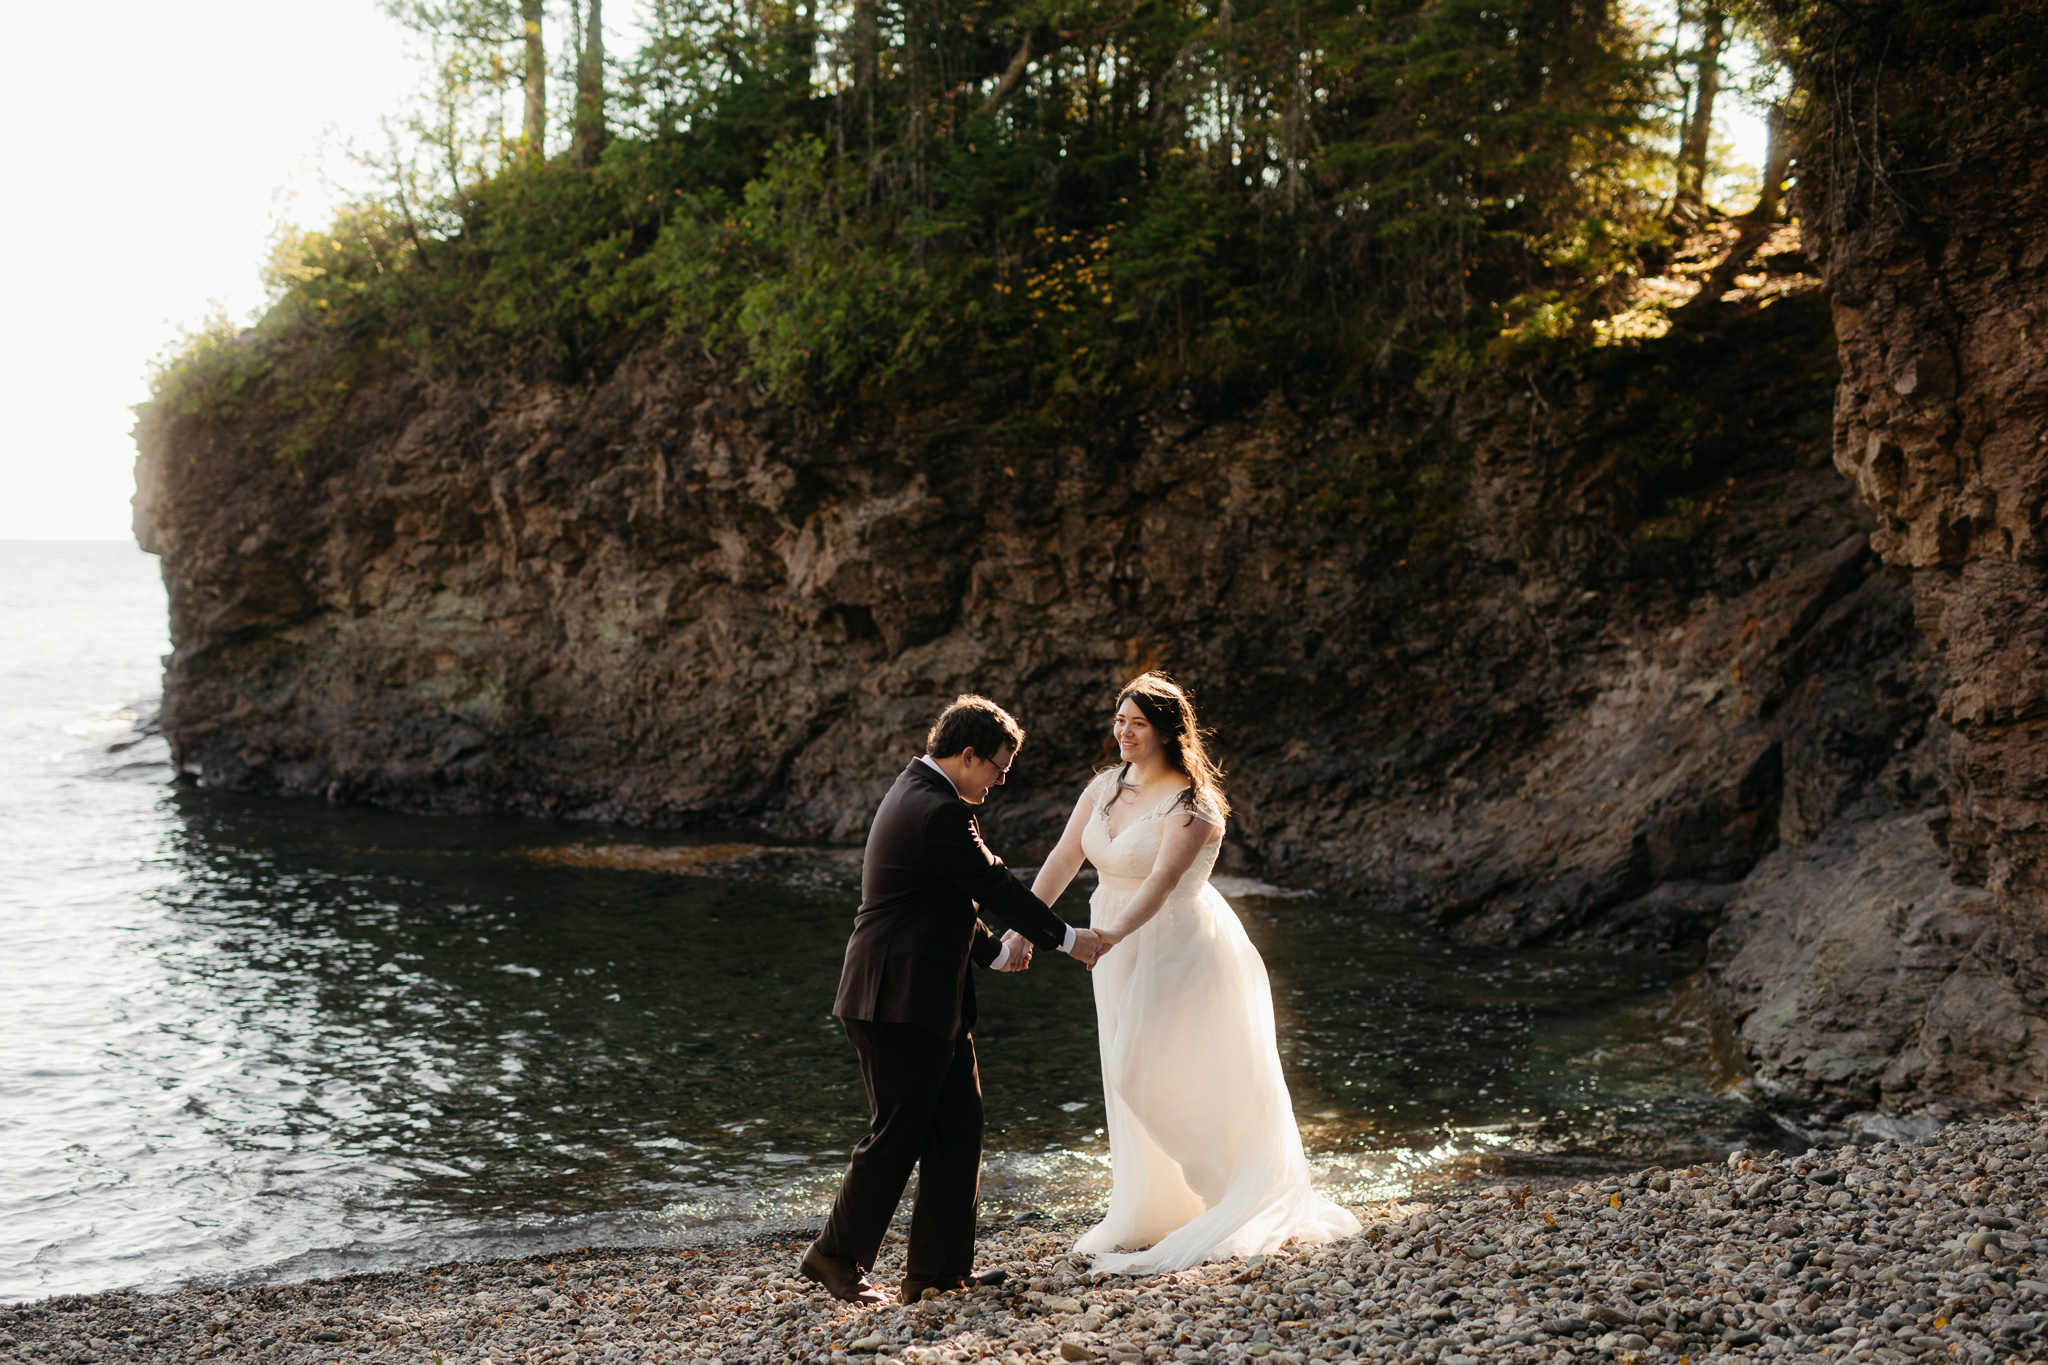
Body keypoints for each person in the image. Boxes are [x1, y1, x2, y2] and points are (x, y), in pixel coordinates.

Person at [1030, 672, 1361, 1273]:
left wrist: (1104, 938)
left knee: (1148, 1068)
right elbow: (1063, 857)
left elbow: (1159, 884)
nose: (1122, 731)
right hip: (1110, 943)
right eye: (1119, 719)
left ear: (1164, 731)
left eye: (1135, 723)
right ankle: (1153, 1207)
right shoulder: (1104, 787)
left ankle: (1229, 1190)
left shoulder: (1193, 806)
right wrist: (1024, 925)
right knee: (1120, 1061)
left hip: (1173, 944)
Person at [801, 695, 1113, 1307]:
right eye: (998, 766)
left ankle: (938, 1273)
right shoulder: (935, 809)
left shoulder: (924, 796)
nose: (1002, 780)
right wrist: (1071, 940)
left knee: (958, 1128)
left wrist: (995, 953)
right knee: (898, 1134)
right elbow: (992, 884)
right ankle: (834, 1256)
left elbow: (945, 899)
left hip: (926, 997)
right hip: (893, 999)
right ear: (967, 755)